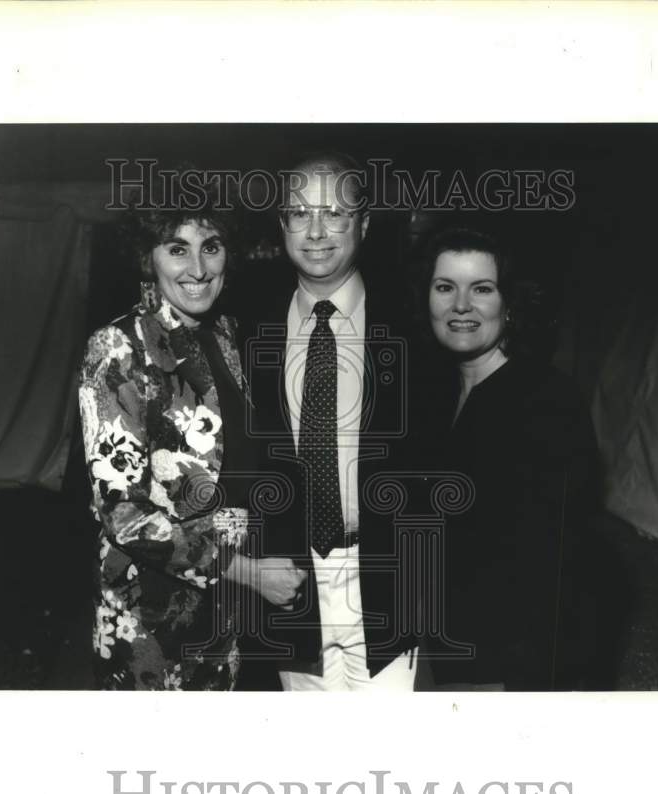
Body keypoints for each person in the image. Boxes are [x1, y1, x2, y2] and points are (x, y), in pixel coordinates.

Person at [77, 189, 306, 690]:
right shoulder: (118, 348)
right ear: (148, 259)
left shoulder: (226, 335)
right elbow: (123, 514)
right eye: (177, 248)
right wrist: (249, 573)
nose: (198, 268)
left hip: (225, 616)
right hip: (150, 618)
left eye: (212, 246)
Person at [237, 153, 418, 691]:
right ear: (282, 226)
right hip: (290, 581)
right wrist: (243, 564)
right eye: (299, 213)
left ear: (363, 224)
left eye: (335, 213)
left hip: (383, 578)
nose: (316, 231)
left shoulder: (415, 326)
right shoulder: (245, 329)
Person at [411, 226, 599, 691]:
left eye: (482, 289)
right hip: (436, 642)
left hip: (502, 660)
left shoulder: (548, 401)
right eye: (445, 287)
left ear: (509, 303)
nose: (460, 306)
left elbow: (554, 566)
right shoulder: (432, 391)